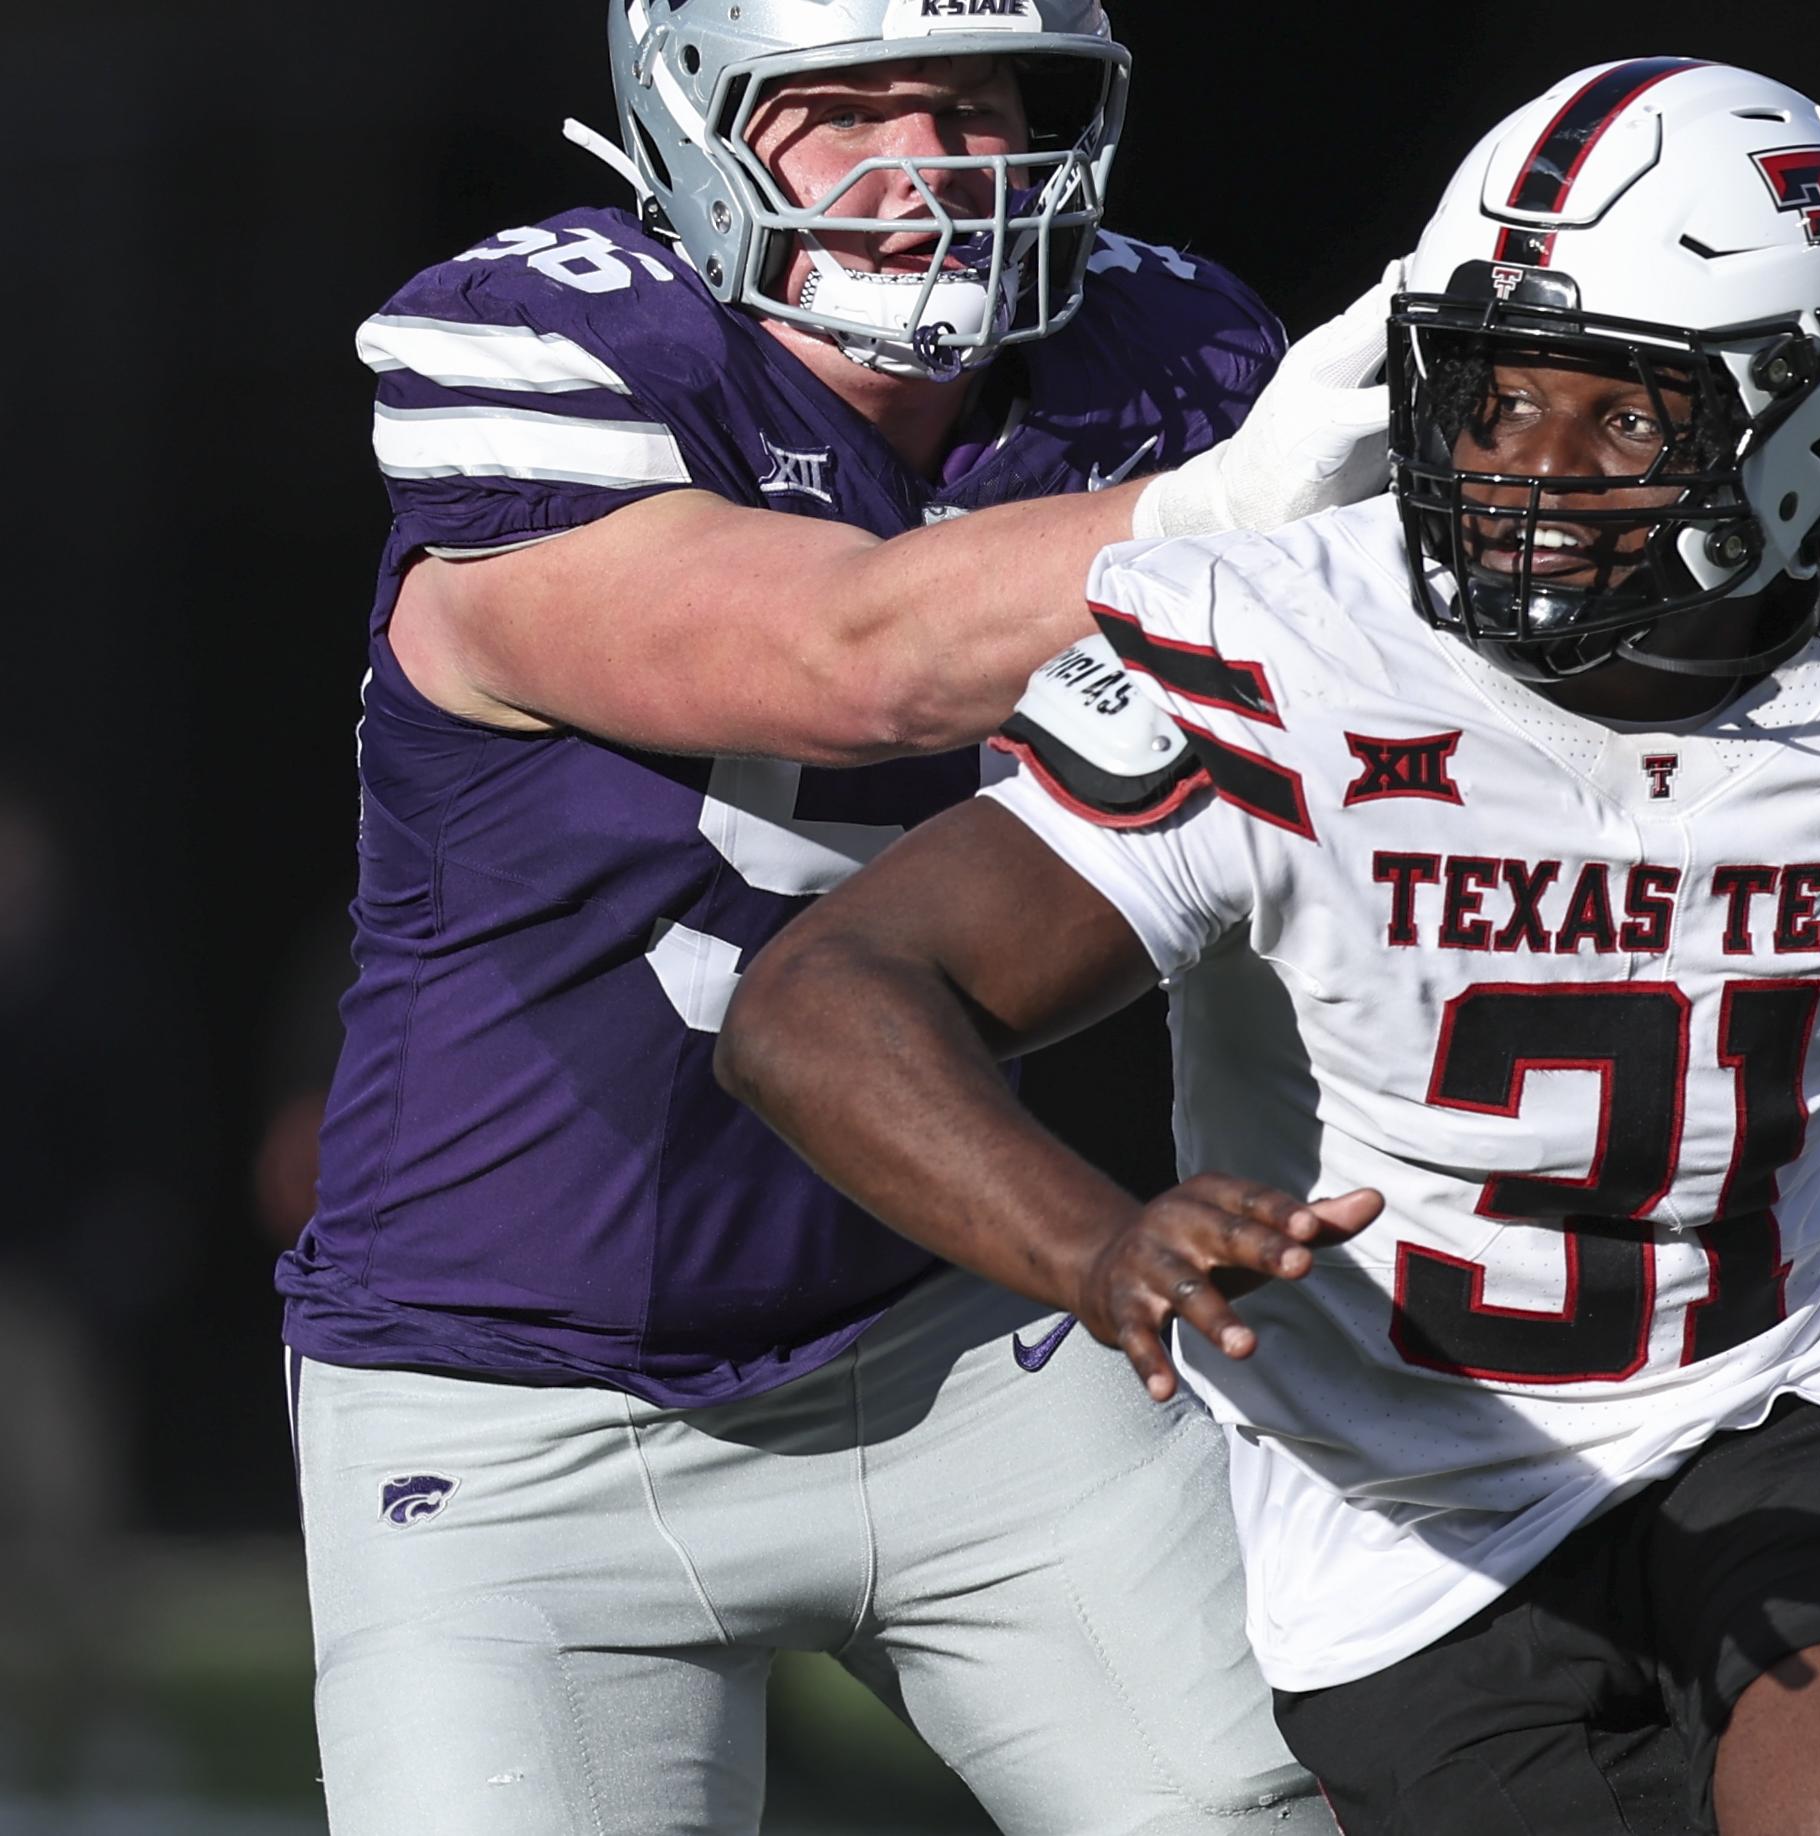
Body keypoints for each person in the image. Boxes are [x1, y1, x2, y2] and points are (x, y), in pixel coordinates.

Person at [719, 59, 1820, 1835]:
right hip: (1397, 1503)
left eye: (1619, 420)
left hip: (1766, 1397)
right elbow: (817, 1004)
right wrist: (1100, 1243)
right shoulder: (1294, 652)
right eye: (1494, 397)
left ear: (1810, 423)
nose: (1522, 473)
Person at [279, 2, 1381, 1828]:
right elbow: (854, 661)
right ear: (692, 125)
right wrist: (1222, 513)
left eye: (965, 104)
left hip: (949, 1337)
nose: (928, 165)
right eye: (845, 109)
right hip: (508, 1398)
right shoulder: (549, 344)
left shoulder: (1162, 358)